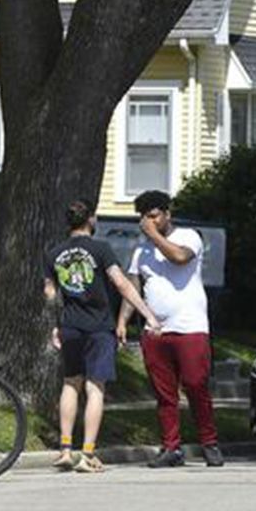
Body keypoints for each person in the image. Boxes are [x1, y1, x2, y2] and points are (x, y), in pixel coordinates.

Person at [44, 199, 161, 474]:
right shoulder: (101, 249)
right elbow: (120, 283)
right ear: (91, 220)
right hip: (98, 326)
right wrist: (148, 314)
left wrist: (55, 324)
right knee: (95, 388)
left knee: (70, 383)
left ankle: (64, 450)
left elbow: (50, 294)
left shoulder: (54, 253)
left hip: (69, 326)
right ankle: (87, 454)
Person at [118, 190, 224, 469]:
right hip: (156, 331)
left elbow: (179, 258)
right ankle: (171, 448)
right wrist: (122, 321)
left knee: (195, 384)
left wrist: (153, 235)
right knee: (165, 394)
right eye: (143, 217)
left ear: (167, 214)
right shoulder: (141, 251)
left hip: (190, 327)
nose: (147, 222)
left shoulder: (188, 237)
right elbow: (133, 287)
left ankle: (209, 443)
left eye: (153, 216)